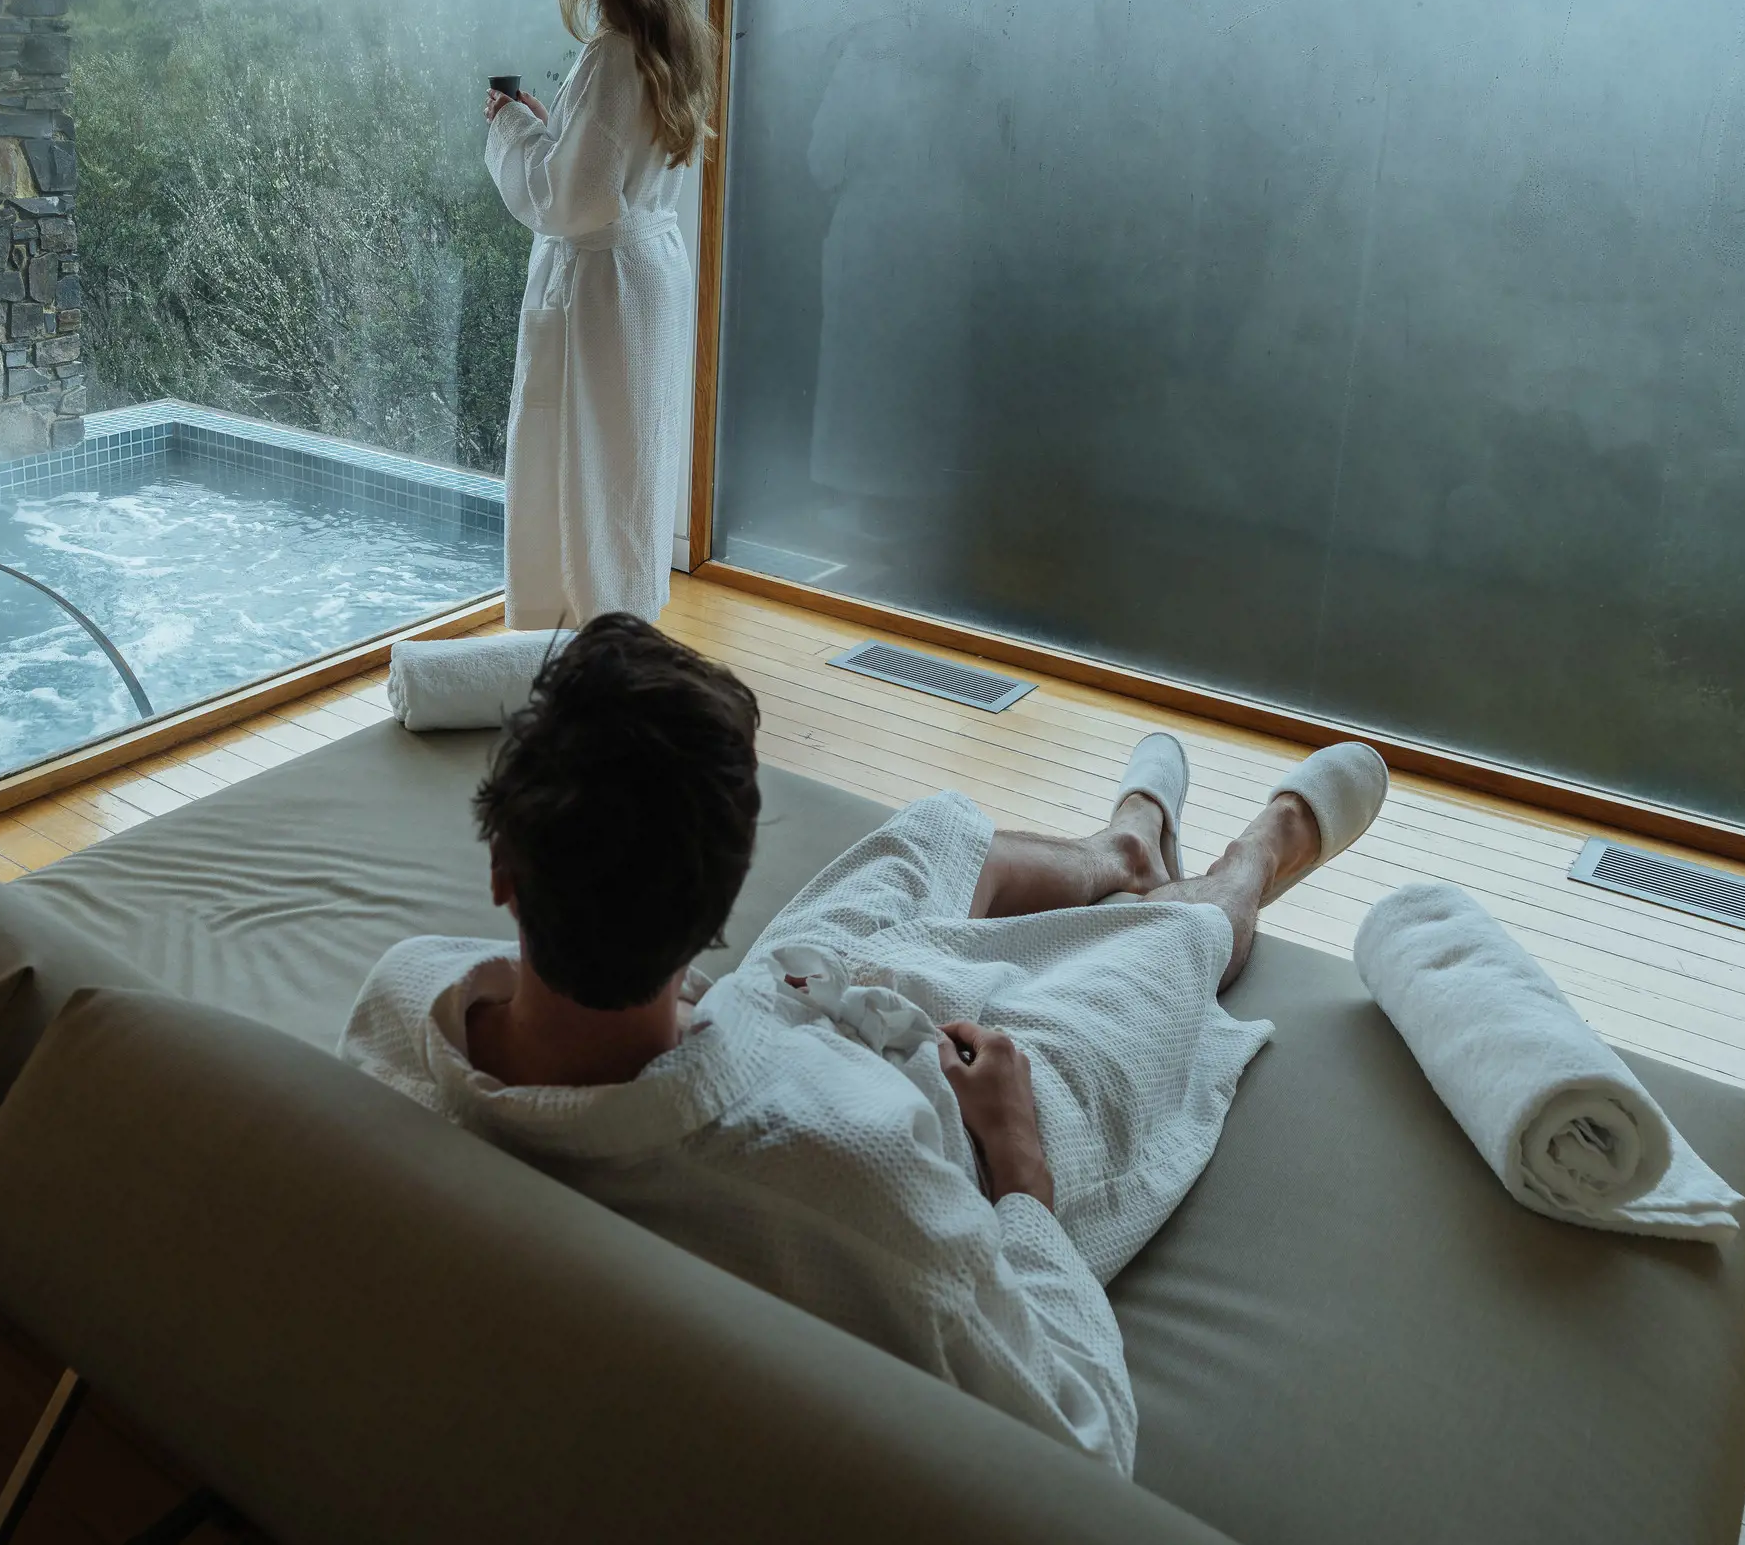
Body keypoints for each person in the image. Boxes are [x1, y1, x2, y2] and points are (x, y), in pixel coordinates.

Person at [339, 615, 1388, 1473]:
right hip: (956, 1110)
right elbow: (1084, 1441)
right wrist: (1021, 1169)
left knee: (933, 830)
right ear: (721, 894)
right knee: (1170, 947)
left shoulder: (405, 999)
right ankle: (1263, 849)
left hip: (757, 1012)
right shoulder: (851, 1189)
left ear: (501, 874)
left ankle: (1118, 846)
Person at [484, 0, 712, 627]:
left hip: (599, 288)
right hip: (648, 276)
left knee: (577, 460)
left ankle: (574, 629)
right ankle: (622, 612)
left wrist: (512, 129)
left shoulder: (612, 54)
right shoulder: (674, 43)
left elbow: (566, 201)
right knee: (628, 459)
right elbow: (609, 169)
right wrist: (556, 127)